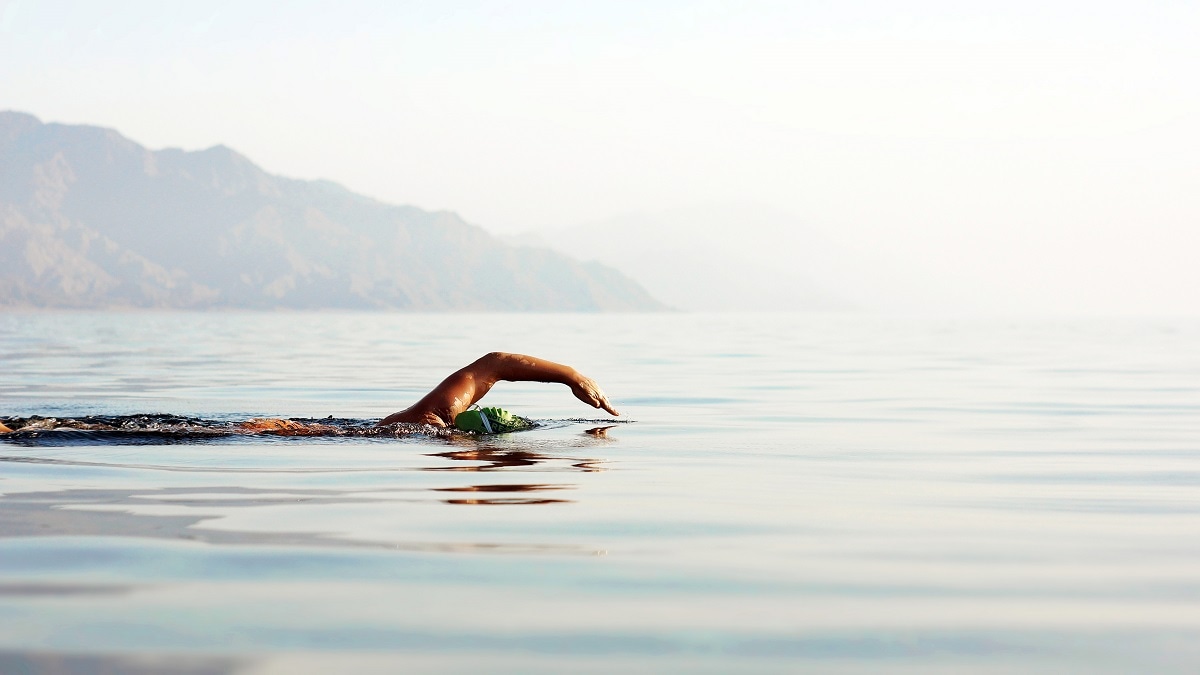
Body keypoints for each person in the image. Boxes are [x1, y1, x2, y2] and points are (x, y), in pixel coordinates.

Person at [377, 352, 619, 428]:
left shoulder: (438, 413)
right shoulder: (436, 415)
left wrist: (573, 377)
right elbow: (496, 362)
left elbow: (496, 364)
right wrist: (572, 377)